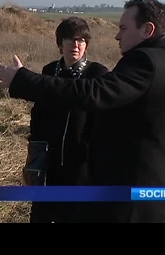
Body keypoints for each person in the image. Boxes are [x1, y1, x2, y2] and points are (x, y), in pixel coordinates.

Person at [0, 0, 165, 223]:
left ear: (147, 30)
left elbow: (92, 93)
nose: (118, 36)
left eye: (124, 29)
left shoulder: (146, 62)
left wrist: (22, 79)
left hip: (131, 206)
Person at [27, 17, 108, 223]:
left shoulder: (97, 73)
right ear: (60, 43)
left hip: (80, 163)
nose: (76, 45)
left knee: (76, 214)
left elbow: (101, 120)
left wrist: (89, 152)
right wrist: (35, 150)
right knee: (42, 214)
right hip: (49, 161)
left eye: (81, 40)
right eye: (70, 39)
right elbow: (39, 114)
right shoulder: (49, 71)